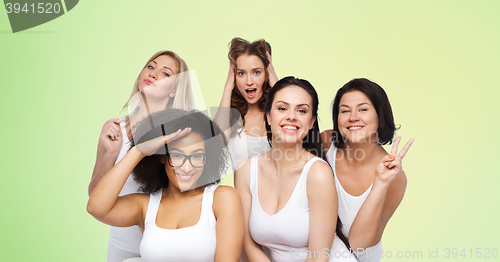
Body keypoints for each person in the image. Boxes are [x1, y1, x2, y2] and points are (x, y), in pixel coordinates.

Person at [87, 109, 244, 262]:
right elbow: (96, 208)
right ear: (162, 157)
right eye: (177, 155)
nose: (187, 167)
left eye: (196, 156)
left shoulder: (222, 198)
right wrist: (138, 152)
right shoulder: (146, 206)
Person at [88, 50, 194, 261]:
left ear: (174, 90)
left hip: (163, 245)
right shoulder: (114, 128)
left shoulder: (177, 133)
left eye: (165, 74)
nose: (153, 74)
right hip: (120, 243)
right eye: (151, 66)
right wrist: (111, 155)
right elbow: (94, 195)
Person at [235, 77, 338, 262]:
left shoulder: (318, 174)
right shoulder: (245, 170)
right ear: (268, 116)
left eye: (301, 110)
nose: (291, 116)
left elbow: (318, 258)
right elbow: (248, 243)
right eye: (282, 108)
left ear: (311, 121)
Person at [321, 78, 414, 262]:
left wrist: (380, 183)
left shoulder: (395, 178)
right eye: (345, 110)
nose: (353, 117)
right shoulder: (326, 142)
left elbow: (359, 244)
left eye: (363, 109)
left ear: (380, 117)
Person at [214, 37, 278, 172]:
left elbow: (302, 143)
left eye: (256, 72)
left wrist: (276, 82)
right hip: (240, 193)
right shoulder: (231, 115)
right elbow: (215, 144)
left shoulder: (278, 113)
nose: (249, 81)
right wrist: (227, 87)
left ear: (266, 74)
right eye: (241, 73)